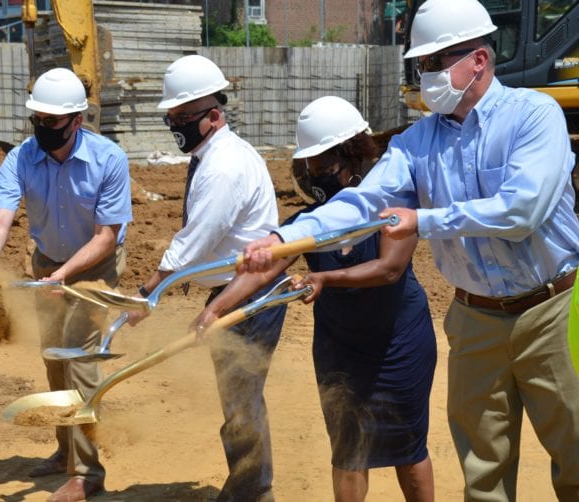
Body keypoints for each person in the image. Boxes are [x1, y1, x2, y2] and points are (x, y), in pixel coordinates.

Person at [242, 0, 579, 500]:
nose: (426, 75)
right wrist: (284, 238)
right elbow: (364, 201)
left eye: (434, 63)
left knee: (575, 456)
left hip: (554, 310)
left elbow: (521, 210)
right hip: (475, 321)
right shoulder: (418, 142)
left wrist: (424, 219)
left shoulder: (535, 116)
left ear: (479, 61)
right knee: (482, 470)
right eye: (420, 65)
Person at [196, 96, 437, 502]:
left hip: (399, 343)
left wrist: (323, 276)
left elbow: (388, 269)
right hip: (339, 348)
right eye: (308, 166)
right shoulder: (307, 224)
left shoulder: (394, 207)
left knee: (406, 448)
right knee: (347, 450)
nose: (313, 176)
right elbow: (263, 269)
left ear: (352, 158)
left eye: (322, 164)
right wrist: (215, 309)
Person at [126, 54, 286, 502]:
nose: (175, 124)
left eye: (182, 117)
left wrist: (148, 291)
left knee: (241, 402)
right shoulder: (210, 154)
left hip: (248, 292)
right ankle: (249, 488)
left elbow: (195, 239)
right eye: (171, 116)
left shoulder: (223, 166)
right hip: (231, 289)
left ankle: (253, 493)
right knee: (238, 400)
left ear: (213, 115)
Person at [0, 67, 131, 502]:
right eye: (37, 120)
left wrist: (63, 277)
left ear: (77, 120)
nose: (43, 129)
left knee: (77, 357)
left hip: (95, 263)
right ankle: (65, 452)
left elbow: (106, 236)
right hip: (47, 262)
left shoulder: (109, 159)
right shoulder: (20, 158)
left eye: (52, 122)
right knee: (52, 357)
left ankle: (87, 473)